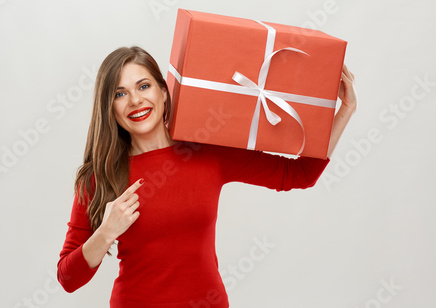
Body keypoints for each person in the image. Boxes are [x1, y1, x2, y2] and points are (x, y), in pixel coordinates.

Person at [57, 46, 357, 307]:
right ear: (110, 108)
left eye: (143, 86)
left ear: (163, 91)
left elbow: (299, 174)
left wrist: (344, 111)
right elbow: (67, 278)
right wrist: (106, 231)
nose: (135, 100)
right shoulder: (101, 176)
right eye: (120, 93)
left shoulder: (207, 150)